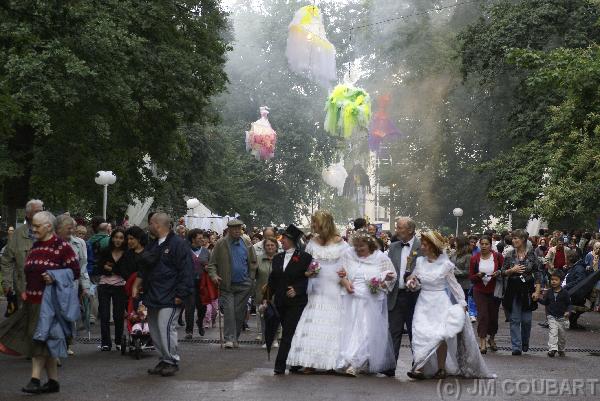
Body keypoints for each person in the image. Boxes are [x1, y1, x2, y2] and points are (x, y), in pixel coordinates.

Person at [0, 211, 80, 394]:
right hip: (32, 303)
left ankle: (35, 380)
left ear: (48, 226)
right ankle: (53, 382)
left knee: (40, 341)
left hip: (50, 305)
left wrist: (55, 276)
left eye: (37, 226)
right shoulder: (35, 247)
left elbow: (74, 271)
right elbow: (30, 273)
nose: (33, 229)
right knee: (45, 341)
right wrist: (27, 292)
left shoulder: (63, 247)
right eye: (33, 225)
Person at [406, 231, 492, 380]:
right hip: (423, 303)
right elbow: (414, 282)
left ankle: (440, 368)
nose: (422, 247)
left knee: (440, 335)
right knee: (420, 333)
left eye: (425, 245)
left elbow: (455, 286)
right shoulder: (420, 262)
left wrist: (463, 303)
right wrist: (411, 283)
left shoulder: (445, 264)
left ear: (433, 247)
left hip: (440, 302)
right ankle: (418, 367)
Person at [287, 211, 351, 372]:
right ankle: (310, 362)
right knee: (312, 321)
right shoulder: (311, 243)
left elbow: (348, 266)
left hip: (334, 288)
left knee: (333, 323)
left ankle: (331, 363)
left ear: (324, 224)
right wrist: (308, 272)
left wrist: (345, 275)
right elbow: (304, 265)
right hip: (315, 288)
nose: (313, 225)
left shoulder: (342, 244)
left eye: (315, 222)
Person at [133, 213, 193, 376]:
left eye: (150, 223)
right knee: (154, 329)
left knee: (165, 327)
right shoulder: (153, 245)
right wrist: (138, 285)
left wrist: (181, 294)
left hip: (171, 294)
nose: (148, 226)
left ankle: (172, 360)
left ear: (157, 225)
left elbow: (186, 271)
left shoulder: (179, 244)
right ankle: (164, 358)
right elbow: (144, 267)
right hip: (153, 294)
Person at [337, 230, 396, 377]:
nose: (358, 251)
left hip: (372, 299)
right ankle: (354, 361)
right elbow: (340, 272)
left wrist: (382, 282)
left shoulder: (381, 258)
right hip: (352, 298)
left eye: (361, 248)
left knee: (365, 331)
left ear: (370, 246)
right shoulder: (348, 254)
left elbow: (391, 277)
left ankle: (355, 362)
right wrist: (345, 283)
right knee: (352, 330)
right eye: (356, 248)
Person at [266, 225, 311, 375]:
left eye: (284, 238)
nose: (282, 240)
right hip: (280, 302)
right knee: (289, 332)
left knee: (288, 333)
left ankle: (280, 364)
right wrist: (265, 299)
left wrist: (297, 289)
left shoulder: (304, 257)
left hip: (296, 302)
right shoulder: (278, 258)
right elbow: (272, 280)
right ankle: (295, 363)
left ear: (292, 240)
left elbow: (309, 278)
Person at [206, 219, 257, 348]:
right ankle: (229, 339)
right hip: (227, 285)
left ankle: (235, 338)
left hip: (244, 284)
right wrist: (214, 275)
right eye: (234, 228)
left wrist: (251, 278)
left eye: (239, 228)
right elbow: (212, 265)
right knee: (229, 312)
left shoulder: (246, 242)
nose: (237, 231)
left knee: (239, 313)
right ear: (228, 229)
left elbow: (253, 261)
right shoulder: (220, 244)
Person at [382, 216, 421, 377]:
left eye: (399, 228)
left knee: (416, 332)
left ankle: (418, 365)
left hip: (416, 297)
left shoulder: (422, 247)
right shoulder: (393, 247)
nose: (396, 230)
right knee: (393, 331)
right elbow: (388, 267)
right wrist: (387, 276)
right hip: (396, 295)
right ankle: (390, 365)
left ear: (410, 230)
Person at [501, 229, 542, 356]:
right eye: (513, 238)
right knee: (514, 319)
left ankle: (525, 342)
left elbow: (538, 273)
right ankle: (516, 347)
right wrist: (512, 270)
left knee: (526, 320)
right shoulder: (509, 255)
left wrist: (537, 290)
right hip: (513, 290)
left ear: (523, 239)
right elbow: (502, 272)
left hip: (527, 290)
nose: (514, 240)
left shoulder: (531, 255)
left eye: (516, 238)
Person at [56, 214, 90, 355]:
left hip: (72, 285)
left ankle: (68, 342)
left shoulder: (80, 243)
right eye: (68, 228)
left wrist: (85, 286)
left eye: (73, 228)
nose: (71, 231)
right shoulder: (52, 242)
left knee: (69, 314)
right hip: (54, 284)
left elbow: (83, 266)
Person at [1, 199, 44, 307]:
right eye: (37, 212)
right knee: (24, 321)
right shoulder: (17, 235)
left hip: (46, 289)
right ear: (28, 214)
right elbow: (6, 261)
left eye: (42, 211)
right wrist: (7, 285)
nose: (41, 215)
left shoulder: (51, 233)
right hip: (24, 290)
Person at [95, 227, 132, 351]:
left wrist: (112, 269)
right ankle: (106, 343)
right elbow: (99, 267)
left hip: (120, 287)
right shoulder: (105, 251)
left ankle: (118, 341)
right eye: (116, 237)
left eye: (121, 238)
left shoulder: (127, 253)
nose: (118, 240)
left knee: (118, 315)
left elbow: (127, 273)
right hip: (104, 285)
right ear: (112, 238)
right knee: (104, 315)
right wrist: (107, 269)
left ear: (124, 240)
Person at [469, 235, 503, 354]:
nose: (484, 246)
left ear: (490, 245)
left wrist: (498, 272)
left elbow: (503, 270)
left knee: (493, 316)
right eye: (482, 244)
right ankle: (482, 342)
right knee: (483, 316)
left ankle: (492, 339)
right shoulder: (474, 258)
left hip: (494, 290)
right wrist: (478, 276)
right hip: (479, 290)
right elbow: (471, 277)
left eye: (486, 244)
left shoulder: (497, 257)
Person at [183, 228, 211, 339]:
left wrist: (208, 267)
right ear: (193, 239)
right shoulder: (185, 250)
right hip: (189, 282)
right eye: (199, 238)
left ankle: (200, 322)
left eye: (202, 238)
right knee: (189, 306)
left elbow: (211, 265)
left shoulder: (206, 251)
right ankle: (189, 331)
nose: (202, 240)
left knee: (202, 306)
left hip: (202, 283)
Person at [538, 271, 571, 357]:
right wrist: (537, 299)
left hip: (562, 318)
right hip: (551, 316)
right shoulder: (549, 292)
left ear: (561, 281)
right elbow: (545, 302)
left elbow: (569, 304)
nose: (553, 281)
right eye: (552, 279)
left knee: (562, 336)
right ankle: (552, 349)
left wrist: (568, 311)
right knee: (553, 332)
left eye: (556, 280)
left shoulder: (565, 293)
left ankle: (561, 349)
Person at [255, 237, 279, 346]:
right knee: (264, 316)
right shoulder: (258, 259)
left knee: (276, 316)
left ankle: (275, 339)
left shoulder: (281, 259)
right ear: (264, 247)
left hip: (277, 293)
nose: (270, 247)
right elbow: (253, 275)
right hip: (262, 293)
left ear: (276, 247)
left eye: (272, 245)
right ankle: (266, 339)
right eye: (267, 245)